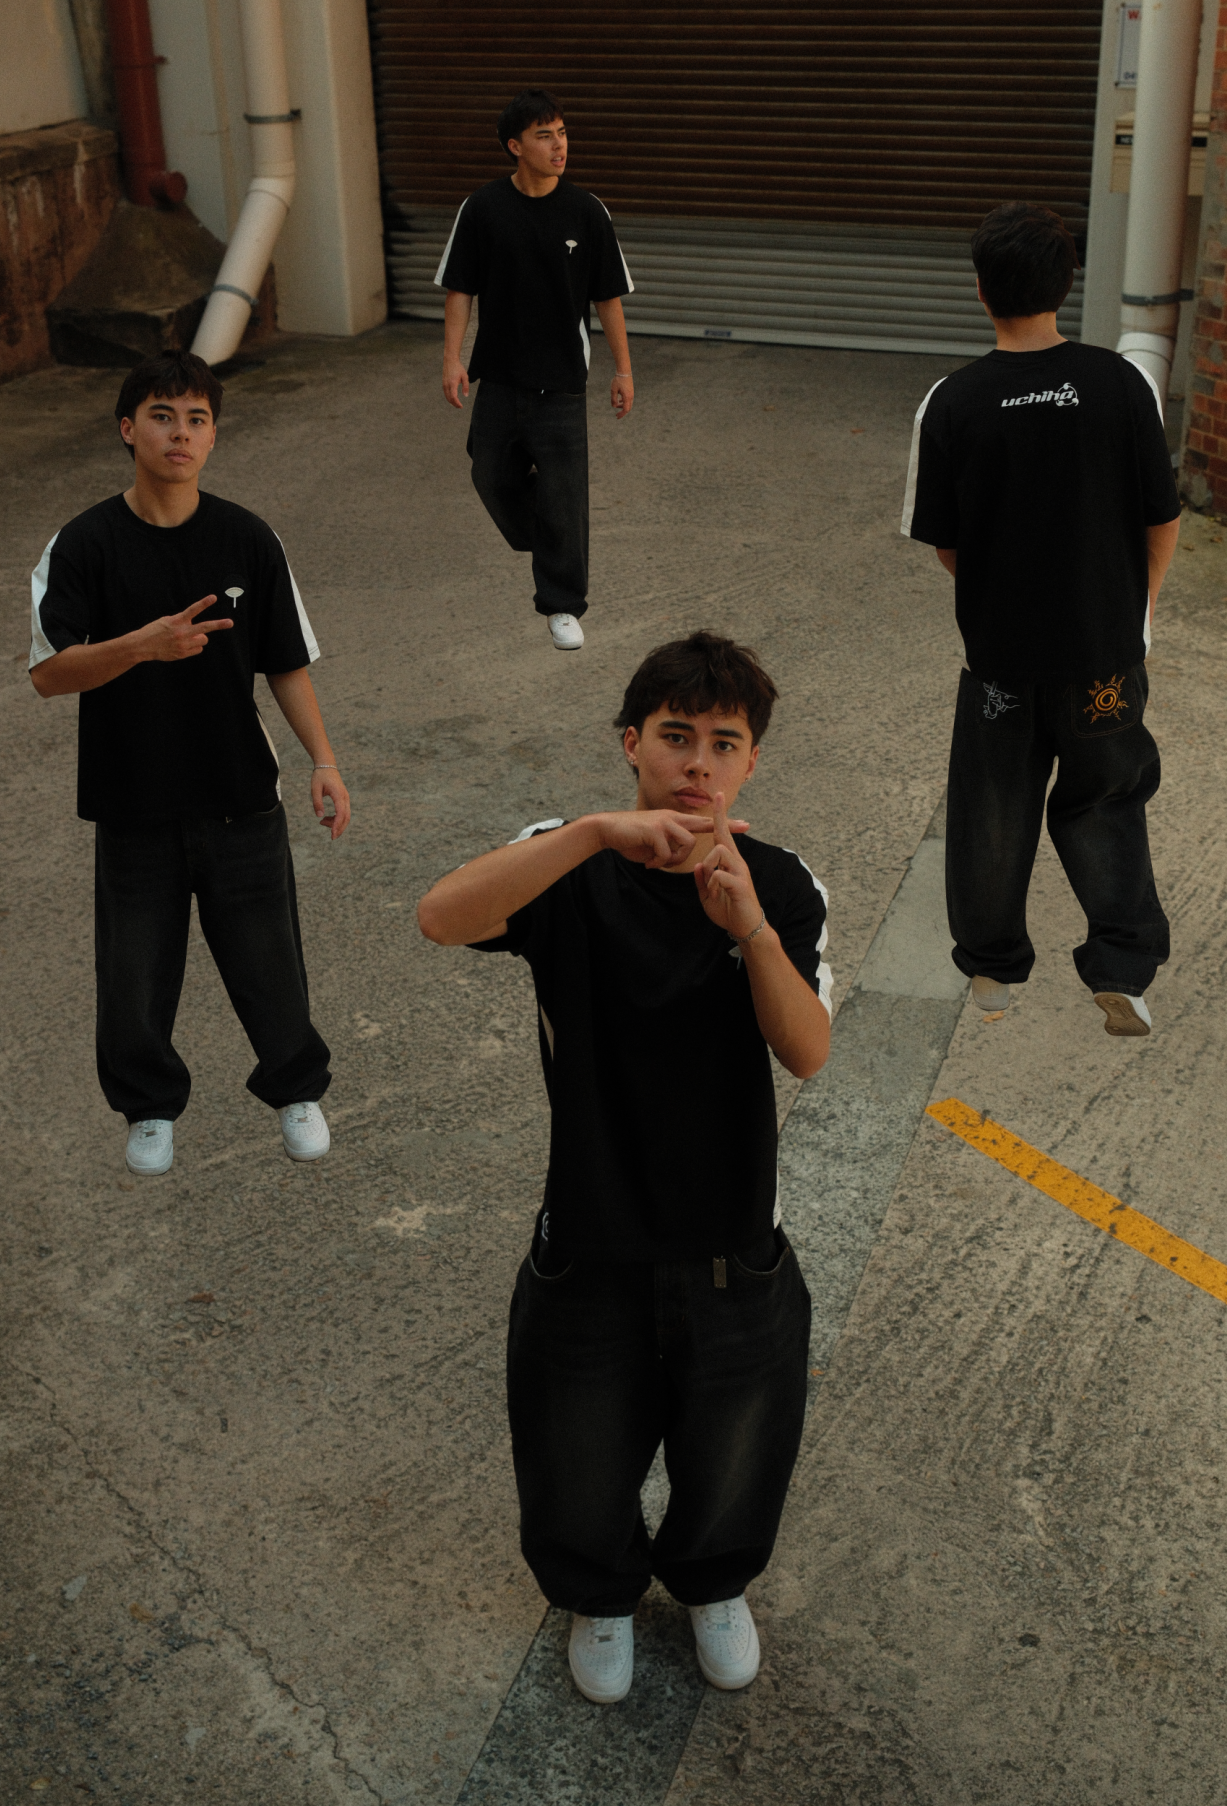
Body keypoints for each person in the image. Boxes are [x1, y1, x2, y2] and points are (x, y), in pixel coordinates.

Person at [417, 631, 832, 1704]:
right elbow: (441, 917)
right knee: (576, 1445)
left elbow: (805, 1050)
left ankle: (712, 1582)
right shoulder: (567, 859)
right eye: (674, 736)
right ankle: (597, 1593)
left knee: (735, 1441)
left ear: (751, 762)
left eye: (723, 743)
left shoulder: (782, 883)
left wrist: (749, 929)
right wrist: (597, 833)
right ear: (630, 743)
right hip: (590, 1227)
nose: (697, 763)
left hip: (731, 1238)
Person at [28, 349, 350, 1176]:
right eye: (162, 416)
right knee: (132, 973)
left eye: (197, 419)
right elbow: (48, 673)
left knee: (270, 961)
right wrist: (140, 646)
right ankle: (148, 1108)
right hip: (132, 802)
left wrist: (323, 760)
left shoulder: (248, 538)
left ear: (213, 436)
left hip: (240, 794)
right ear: (126, 428)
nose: (180, 433)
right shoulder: (82, 545)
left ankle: (295, 1091)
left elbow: (286, 662)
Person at [902, 200, 1181, 1037]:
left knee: (993, 807)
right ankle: (1121, 970)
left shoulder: (951, 401)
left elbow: (945, 544)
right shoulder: (1120, 385)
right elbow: (1160, 518)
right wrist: (1135, 609)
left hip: (1000, 661)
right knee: (1106, 801)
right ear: (1067, 283)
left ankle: (992, 968)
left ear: (980, 289)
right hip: (1104, 655)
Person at [436, 88, 635, 653]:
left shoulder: (587, 211)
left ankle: (563, 604)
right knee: (489, 475)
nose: (559, 145)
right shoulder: (482, 208)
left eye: (562, 133)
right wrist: (451, 358)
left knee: (565, 498)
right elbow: (459, 289)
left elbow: (608, 298)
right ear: (515, 146)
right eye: (545, 136)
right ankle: (546, 535)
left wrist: (623, 370)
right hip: (499, 378)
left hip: (562, 384)